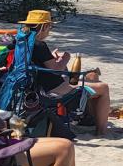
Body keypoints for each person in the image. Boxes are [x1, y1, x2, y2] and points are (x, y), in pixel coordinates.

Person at [19, 9, 113, 137]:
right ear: (45, 26)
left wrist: (51, 57)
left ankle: (88, 119)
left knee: (92, 76)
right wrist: (66, 57)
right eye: (50, 26)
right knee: (103, 88)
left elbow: (39, 62)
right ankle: (102, 131)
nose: (50, 30)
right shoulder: (39, 45)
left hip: (35, 85)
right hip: (52, 88)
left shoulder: (22, 42)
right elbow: (57, 69)